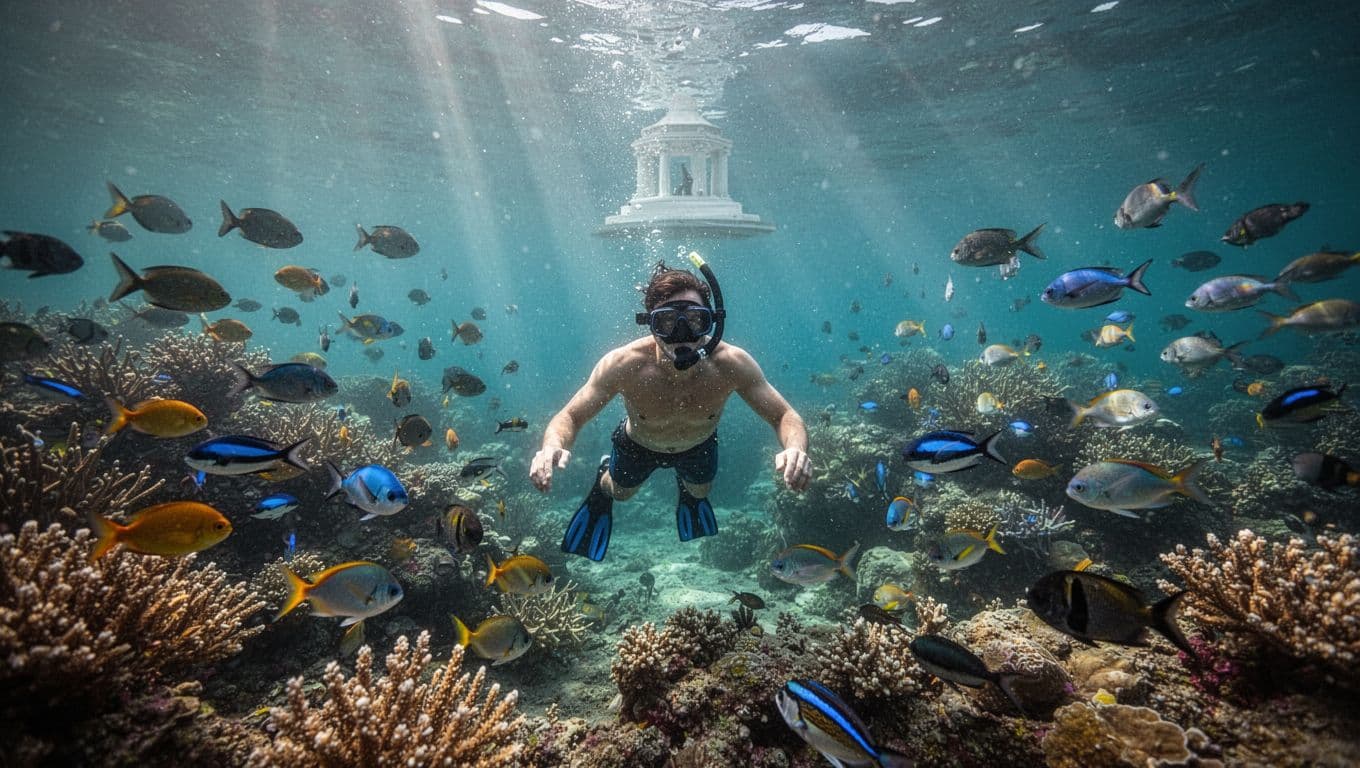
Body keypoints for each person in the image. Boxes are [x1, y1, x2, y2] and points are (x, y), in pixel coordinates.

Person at [530, 253, 812, 561]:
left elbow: (784, 415)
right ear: (650, 324)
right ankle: (603, 480)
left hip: (698, 445)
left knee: (700, 492)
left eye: (694, 321)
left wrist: (795, 448)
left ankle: (685, 484)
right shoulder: (624, 364)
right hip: (638, 444)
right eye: (666, 321)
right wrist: (551, 446)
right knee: (620, 494)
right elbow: (571, 415)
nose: (682, 336)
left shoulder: (731, 364)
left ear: (711, 322)